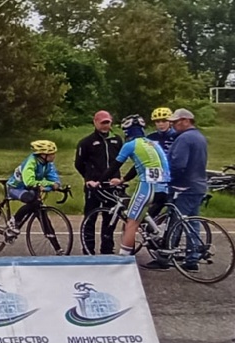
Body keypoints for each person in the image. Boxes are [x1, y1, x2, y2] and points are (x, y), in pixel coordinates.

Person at [106, 115, 170, 261]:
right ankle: (159, 243)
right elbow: (137, 166)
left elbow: (114, 166)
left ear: (126, 131)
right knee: (144, 219)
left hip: (149, 187)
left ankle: (123, 260)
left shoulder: (130, 145)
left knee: (132, 222)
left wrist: (98, 181)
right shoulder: (152, 143)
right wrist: (123, 180)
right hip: (163, 186)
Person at [164, 108, 208, 271]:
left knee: (176, 222)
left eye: (176, 122)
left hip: (184, 186)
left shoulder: (184, 138)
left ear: (186, 121)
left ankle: (165, 257)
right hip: (198, 185)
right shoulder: (199, 137)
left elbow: (178, 164)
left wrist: (169, 178)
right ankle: (192, 257)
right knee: (192, 222)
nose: (173, 125)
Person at [74, 111, 122, 254]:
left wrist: (117, 178)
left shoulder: (117, 140)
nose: (105, 126)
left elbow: (120, 160)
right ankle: (88, 249)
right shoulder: (86, 142)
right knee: (90, 218)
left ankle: (107, 249)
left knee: (110, 218)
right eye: (102, 123)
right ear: (95, 123)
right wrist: (88, 178)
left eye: (108, 122)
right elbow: (79, 164)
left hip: (111, 185)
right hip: (94, 186)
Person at [5, 140, 63, 236]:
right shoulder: (31, 162)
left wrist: (56, 185)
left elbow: (54, 179)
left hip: (30, 188)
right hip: (16, 188)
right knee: (31, 200)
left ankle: (53, 240)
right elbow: (29, 182)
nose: (54, 156)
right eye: (51, 153)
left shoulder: (48, 164)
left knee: (37, 204)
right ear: (43, 155)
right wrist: (50, 184)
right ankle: (14, 221)